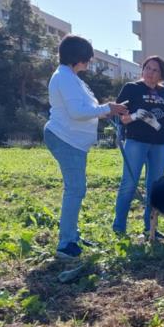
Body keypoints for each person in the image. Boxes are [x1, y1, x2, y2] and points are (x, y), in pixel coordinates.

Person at [44, 35, 127, 259]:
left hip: (73, 141)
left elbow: (86, 108)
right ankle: (65, 244)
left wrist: (107, 110)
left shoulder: (71, 77)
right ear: (77, 57)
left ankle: (72, 235)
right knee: (75, 189)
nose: (88, 64)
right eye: (87, 59)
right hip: (65, 138)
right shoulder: (64, 77)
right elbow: (77, 112)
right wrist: (107, 107)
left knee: (76, 189)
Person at [112, 56, 164, 237]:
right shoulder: (131, 89)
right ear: (142, 70)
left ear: (161, 74)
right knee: (129, 184)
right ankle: (119, 228)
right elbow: (120, 117)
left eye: (155, 70)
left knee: (154, 187)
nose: (150, 72)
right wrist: (134, 116)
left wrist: (158, 121)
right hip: (136, 142)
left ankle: (151, 228)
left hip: (160, 144)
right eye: (147, 68)